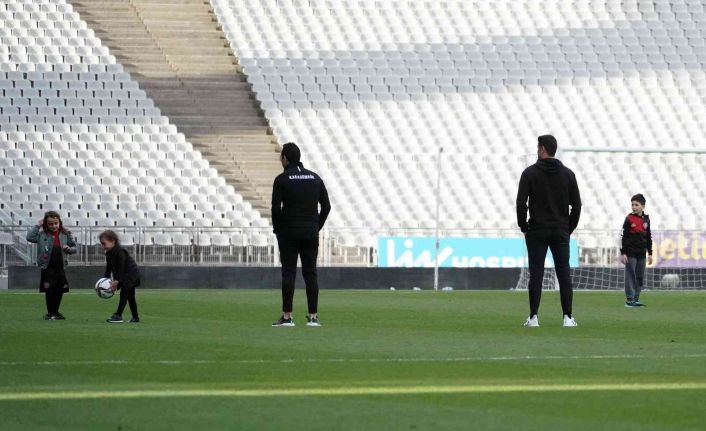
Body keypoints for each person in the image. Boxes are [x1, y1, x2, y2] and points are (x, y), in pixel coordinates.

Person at [516, 135, 582, 327]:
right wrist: (568, 228)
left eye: (538, 147)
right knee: (563, 272)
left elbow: (521, 203)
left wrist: (524, 227)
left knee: (536, 273)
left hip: (537, 229)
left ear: (543, 149)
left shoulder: (529, 173)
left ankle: (533, 317)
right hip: (560, 229)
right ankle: (567, 317)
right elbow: (577, 205)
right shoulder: (568, 174)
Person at [271, 142, 331, 327]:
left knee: (288, 272)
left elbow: (276, 209)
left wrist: (278, 229)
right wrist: (316, 226)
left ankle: (287, 317)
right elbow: (327, 206)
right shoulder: (315, 178)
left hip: (289, 233)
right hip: (310, 233)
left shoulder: (282, 179)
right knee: (310, 273)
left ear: (285, 159)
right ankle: (313, 317)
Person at [26, 211, 77, 320]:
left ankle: (56, 312)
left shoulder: (65, 234)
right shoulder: (42, 235)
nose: (54, 226)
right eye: (50, 224)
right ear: (46, 224)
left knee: (60, 290)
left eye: (56, 223)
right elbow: (29, 237)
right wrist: (37, 225)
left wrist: (69, 249)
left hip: (60, 266)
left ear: (59, 223)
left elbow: (75, 248)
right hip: (47, 266)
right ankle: (50, 313)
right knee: (49, 290)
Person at [100, 230, 141, 323]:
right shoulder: (109, 254)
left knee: (124, 294)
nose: (103, 246)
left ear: (113, 241)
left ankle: (118, 315)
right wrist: (104, 281)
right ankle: (135, 317)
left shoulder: (120, 252)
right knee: (130, 297)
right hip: (125, 276)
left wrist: (116, 281)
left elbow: (121, 268)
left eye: (104, 243)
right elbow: (108, 269)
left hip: (131, 275)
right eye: (101, 244)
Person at [620, 194, 652, 308]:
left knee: (639, 276)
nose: (633, 207)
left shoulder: (646, 219)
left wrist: (650, 253)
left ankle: (636, 298)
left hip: (642, 253)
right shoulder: (629, 219)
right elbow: (624, 236)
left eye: (636, 205)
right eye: (632, 205)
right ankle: (629, 300)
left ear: (643, 206)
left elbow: (648, 237)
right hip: (630, 252)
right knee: (630, 276)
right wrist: (623, 253)